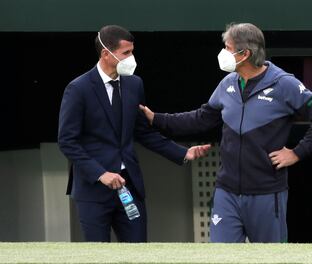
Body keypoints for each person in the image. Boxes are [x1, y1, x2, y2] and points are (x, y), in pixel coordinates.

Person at [139, 23, 312, 243]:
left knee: (270, 260)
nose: (223, 53)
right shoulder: (228, 83)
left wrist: (298, 152)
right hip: (227, 192)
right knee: (221, 257)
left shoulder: (284, 84)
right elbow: (201, 118)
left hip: (266, 193)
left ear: (245, 54)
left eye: (227, 47)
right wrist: (157, 119)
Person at [58, 25, 210, 242]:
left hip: (130, 187)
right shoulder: (78, 88)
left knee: (138, 251)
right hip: (93, 190)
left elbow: (143, 132)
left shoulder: (134, 84)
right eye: (126, 53)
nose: (132, 58)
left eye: (132, 51)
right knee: (98, 255)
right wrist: (101, 174)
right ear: (105, 54)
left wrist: (183, 153)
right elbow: (67, 141)